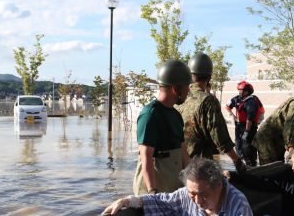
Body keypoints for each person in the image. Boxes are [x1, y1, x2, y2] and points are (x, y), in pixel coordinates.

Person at [103, 157, 253, 216]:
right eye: (192, 194)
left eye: (203, 194)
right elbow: (160, 200)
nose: (198, 201)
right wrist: (128, 201)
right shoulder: (186, 196)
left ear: (219, 185)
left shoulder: (238, 206)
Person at [176, 53, 247, 173]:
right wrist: (236, 160)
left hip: (177, 162)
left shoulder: (178, 97)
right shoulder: (207, 100)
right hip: (199, 166)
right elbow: (220, 137)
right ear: (209, 76)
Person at [132, 60, 192, 196]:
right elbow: (146, 156)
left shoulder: (176, 115)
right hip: (155, 188)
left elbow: (183, 153)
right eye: (187, 86)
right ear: (175, 88)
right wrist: (152, 192)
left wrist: (195, 179)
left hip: (172, 186)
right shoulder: (150, 115)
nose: (188, 90)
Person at [235, 81, 264, 166]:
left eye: (241, 90)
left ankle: (250, 163)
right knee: (242, 144)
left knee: (247, 145)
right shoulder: (243, 100)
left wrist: (246, 131)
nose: (239, 92)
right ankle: (247, 162)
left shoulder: (251, 102)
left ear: (247, 91)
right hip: (243, 126)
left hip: (249, 127)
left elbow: (250, 118)